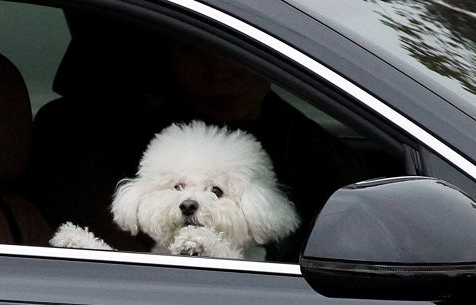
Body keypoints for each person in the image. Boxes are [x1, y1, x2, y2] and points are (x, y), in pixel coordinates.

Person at [152, 41, 369, 262]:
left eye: (230, 48)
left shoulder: (321, 155)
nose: (217, 70)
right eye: (193, 49)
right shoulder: (145, 138)